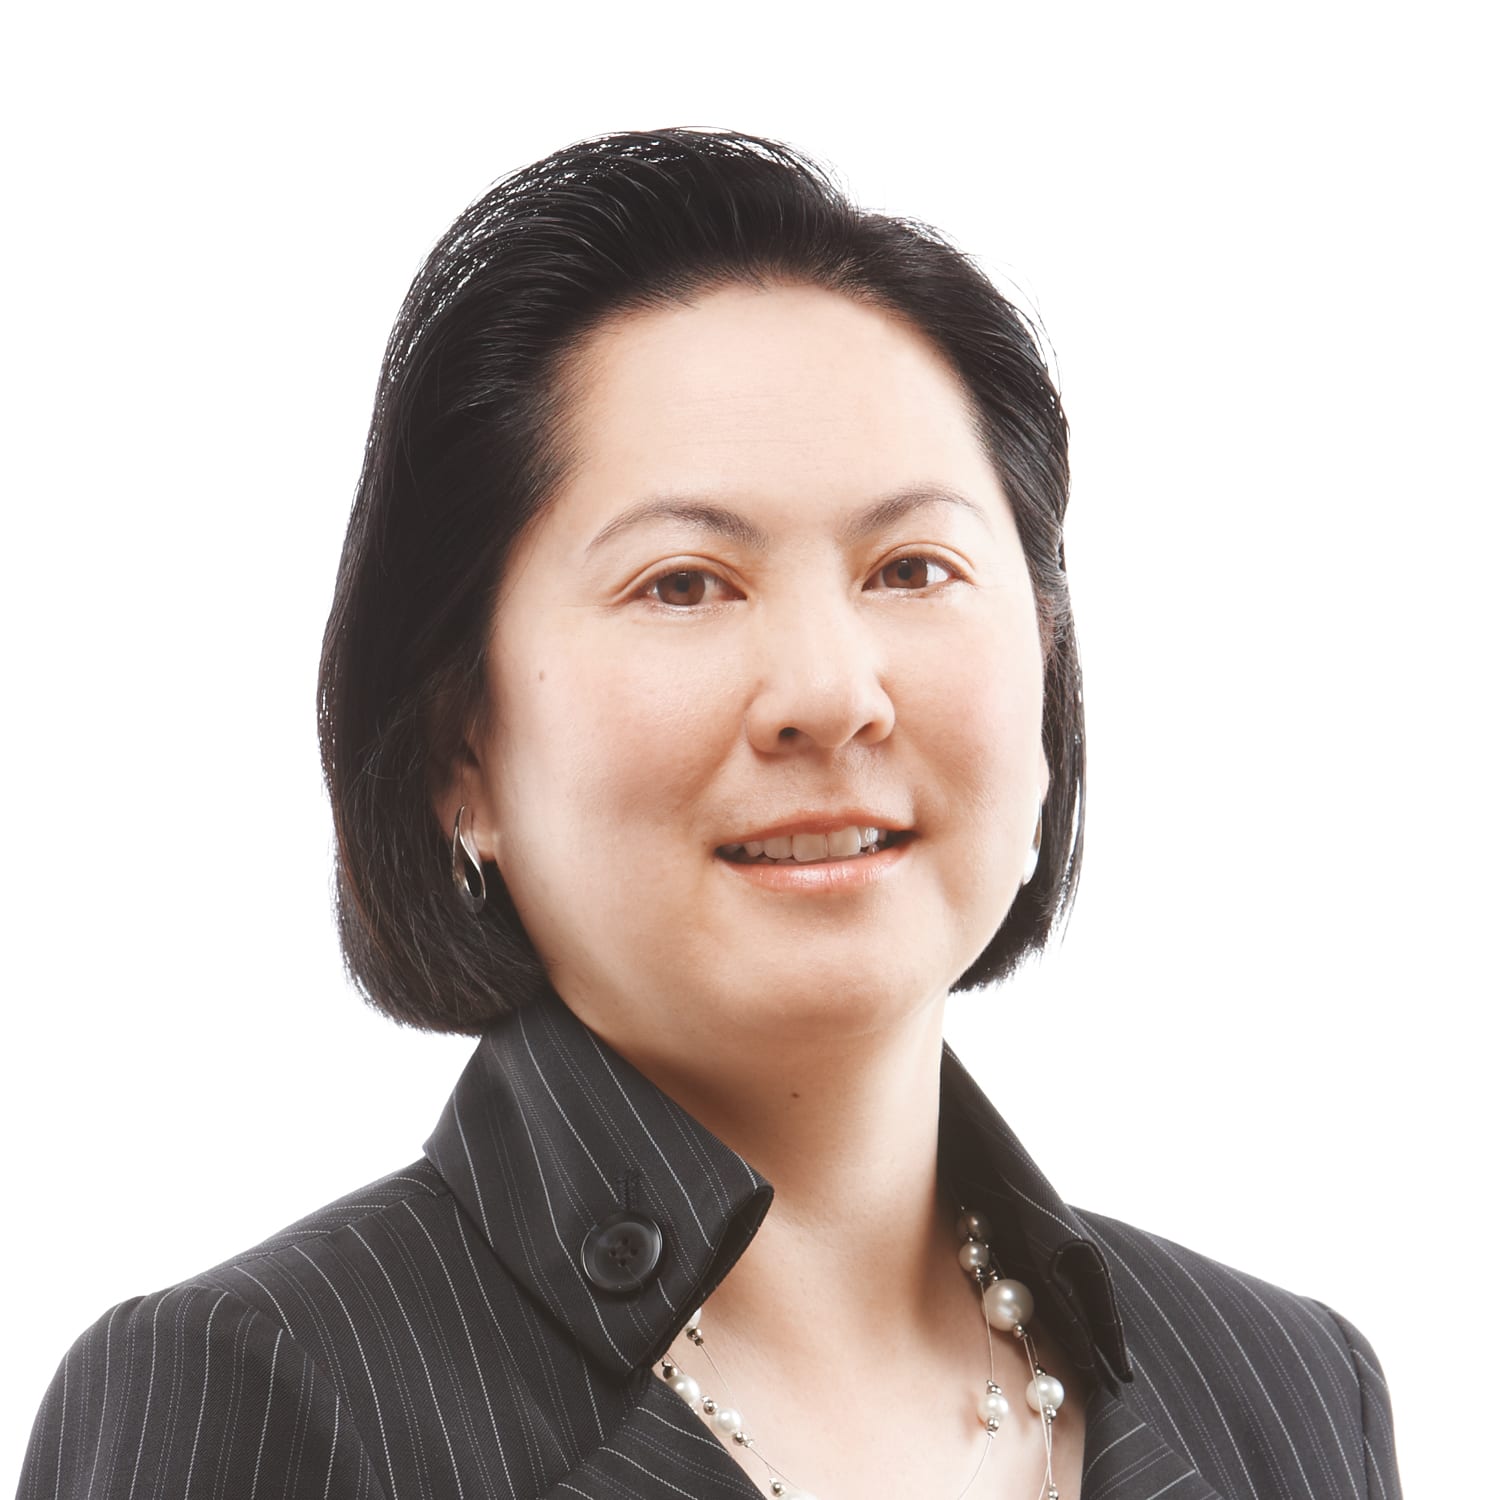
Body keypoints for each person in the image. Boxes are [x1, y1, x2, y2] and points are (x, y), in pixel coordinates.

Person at [17, 128, 1401, 1500]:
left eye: (913, 567)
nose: (830, 694)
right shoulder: (258, 1385)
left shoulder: (1289, 1396)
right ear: (459, 748)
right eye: (684, 583)